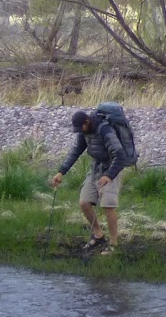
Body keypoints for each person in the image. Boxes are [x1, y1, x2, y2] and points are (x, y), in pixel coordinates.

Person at [50, 109, 130, 254]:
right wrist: (61, 172)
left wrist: (109, 175)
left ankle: (113, 244)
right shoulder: (84, 132)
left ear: (87, 122)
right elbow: (75, 151)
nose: (80, 131)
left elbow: (120, 155)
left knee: (108, 206)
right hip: (95, 169)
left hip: (111, 169)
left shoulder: (105, 130)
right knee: (84, 203)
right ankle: (98, 235)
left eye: (81, 128)